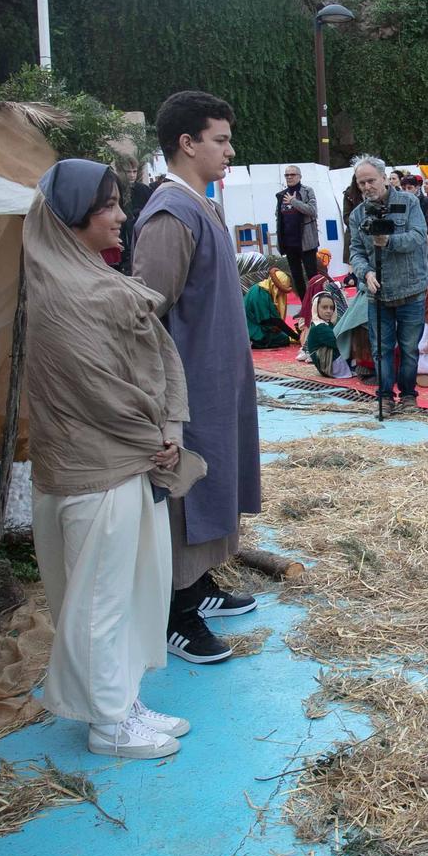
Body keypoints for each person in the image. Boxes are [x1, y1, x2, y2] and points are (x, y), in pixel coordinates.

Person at [26, 159, 204, 758]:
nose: (121, 215)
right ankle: (108, 724)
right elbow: (95, 388)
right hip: (96, 468)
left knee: (127, 591)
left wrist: (160, 431)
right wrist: (155, 436)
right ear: (74, 217)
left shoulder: (83, 279)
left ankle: (121, 700)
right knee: (100, 600)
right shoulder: (66, 294)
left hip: (123, 460)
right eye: (107, 205)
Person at [133, 91, 259, 663]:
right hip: (186, 385)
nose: (230, 151)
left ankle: (198, 585)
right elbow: (146, 310)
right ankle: (175, 614)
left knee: (211, 482)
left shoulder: (199, 204)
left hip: (213, 378)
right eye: (221, 139)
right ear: (187, 144)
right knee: (187, 486)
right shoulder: (170, 213)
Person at [345, 153, 428, 417]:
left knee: (408, 348)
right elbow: (356, 251)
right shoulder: (358, 214)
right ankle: (384, 396)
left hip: (411, 290)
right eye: (361, 183)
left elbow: (419, 237)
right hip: (377, 293)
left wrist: (389, 241)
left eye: (371, 180)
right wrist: (365, 272)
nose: (366, 187)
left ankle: (408, 395)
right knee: (381, 349)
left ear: (384, 178)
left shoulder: (409, 203)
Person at [244, 268, 299, 349]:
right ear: (275, 286)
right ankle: (253, 342)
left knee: (282, 336)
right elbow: (272, 320)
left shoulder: (264, 288)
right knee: (283, 339)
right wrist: (297, 337)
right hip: (251, 328)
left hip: (256, 324)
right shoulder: (260, 293)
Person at [305, 291, 350, 379]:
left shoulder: (325, 323)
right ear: (316, 308)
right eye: (324, 307)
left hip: (325, 365)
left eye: (331, 308)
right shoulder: (319, 326)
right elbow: (338, 344)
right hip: (329, 366)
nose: (329, 311)